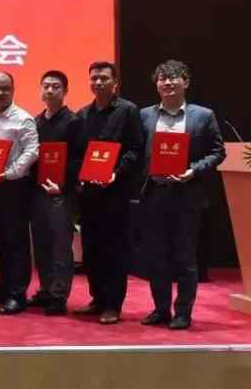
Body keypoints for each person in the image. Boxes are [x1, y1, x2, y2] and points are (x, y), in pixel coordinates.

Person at [139, 60, 226, 330]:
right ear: (157, 85)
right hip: (154, 194)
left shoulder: (203, 115)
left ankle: (183, 312)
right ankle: (161, 309)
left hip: (187, 195)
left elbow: (218, 152)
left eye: (173, 77)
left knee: (185, 258)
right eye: (162, 78)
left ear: (185, 82)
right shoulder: (144, 116)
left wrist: (193, 171)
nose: (167, 82)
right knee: (157, 257)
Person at [74, 61, 145, 325]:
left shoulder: (128, 111)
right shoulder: (83, 115)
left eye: (104, 78)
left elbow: (135, 149)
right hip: (89, 193)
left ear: (115, 82)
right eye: (94, 78)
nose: (98, 82)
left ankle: (113, 304)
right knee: (92, 248)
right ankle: (98, 298)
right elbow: (79, 154)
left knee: (114, 249)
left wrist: (116, 172)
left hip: (116, 192)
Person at [0, 72, 39, 315]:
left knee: (16, 242)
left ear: (12, 90)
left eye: (4, 88)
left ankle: (17, 295)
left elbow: (32, 151)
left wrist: (9, 173)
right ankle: (3, 288)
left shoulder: (23, 119)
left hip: (14, 187)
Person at [28, 70, 84, 316]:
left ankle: (59, 295)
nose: (50, 91)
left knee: (60, 245)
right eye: (46, 86)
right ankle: (46, 289)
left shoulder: (74, 122)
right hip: (38, 191)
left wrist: (62, 185)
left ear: (65, 91)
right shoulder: (36, 122)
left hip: (61, 192)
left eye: (56, 86)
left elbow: (78, 160)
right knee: (41, 243)